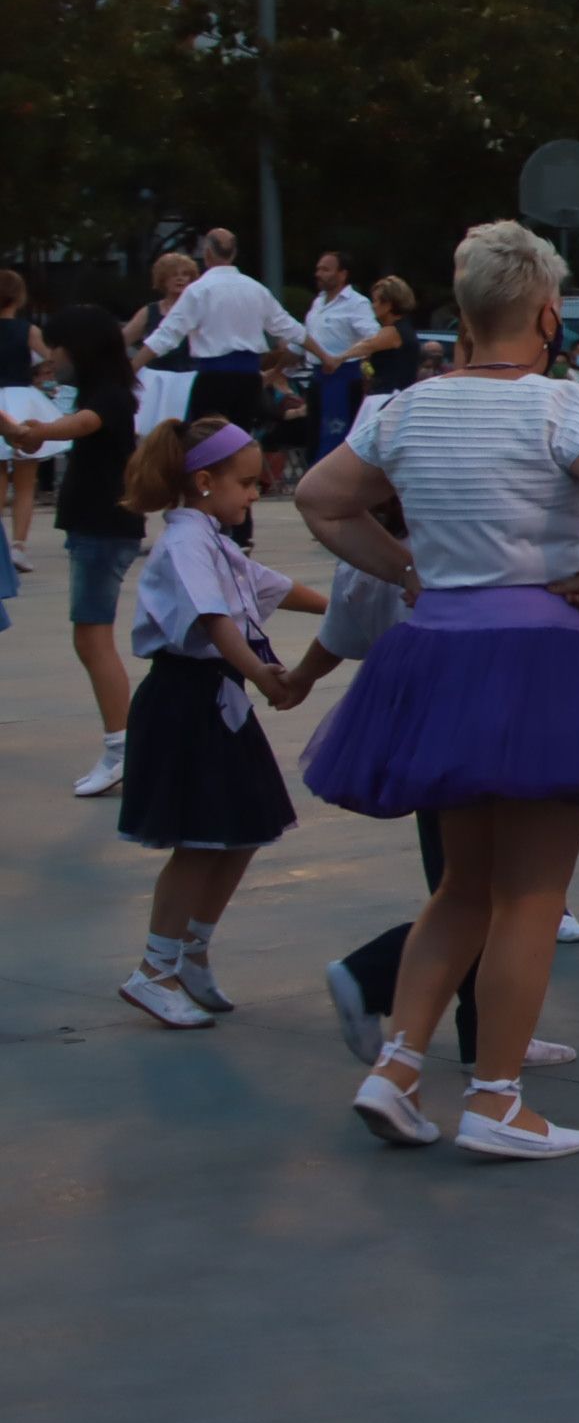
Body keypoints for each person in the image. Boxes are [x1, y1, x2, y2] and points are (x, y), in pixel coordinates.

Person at [295, 220, 579, 1162]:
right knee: (533, 890)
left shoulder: (405, 409)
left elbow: (321, 499)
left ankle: (398, 1065)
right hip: (543, 657)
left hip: (443, 650)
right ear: (548, 313)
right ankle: (497, 1098)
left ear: (463, 313)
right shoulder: (563, 407)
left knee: (462, 884)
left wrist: (408, 569)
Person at [103, 416, 326, 1027]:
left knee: (243, 828)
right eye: (248, 483)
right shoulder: (184, 543)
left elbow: (272, 588)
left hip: (216, 699)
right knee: (199, 843)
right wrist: (261, 673)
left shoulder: (214, 537)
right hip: (185, 701)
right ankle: (153, 968)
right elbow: (213, 620)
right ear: (204, 481)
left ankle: (191, 951)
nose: (255, 494)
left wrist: (351, 608)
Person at [3, 308, 145, 797]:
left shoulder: (108, 398)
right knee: (90, 637)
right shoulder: (102, 392)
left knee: (92, 639)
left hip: (104, 530)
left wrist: (31, 432)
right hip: (96, 529)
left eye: (57, 349)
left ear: (79, 350)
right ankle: (122, 745)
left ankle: (122, 747)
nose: (51, 358)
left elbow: (78, 426)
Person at [142, 228, 308, 432]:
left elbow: (166, 335)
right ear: (234, 253)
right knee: (240, 440)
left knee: (207, 441)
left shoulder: (199, 290)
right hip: (248, 380)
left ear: (207, 253)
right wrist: (326, 357)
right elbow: (292, 329)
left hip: (215, 376)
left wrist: (132, 367)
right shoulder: (255, 288)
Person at [301, 249, 379, 462]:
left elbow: (372, 336)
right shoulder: (318, 302)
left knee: (336, 433)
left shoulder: (356, 303)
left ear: (342, 274)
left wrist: (343, 357)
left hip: (342, 377)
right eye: (318, 269)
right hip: (318, 375)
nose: (319, 274)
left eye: (326, 269)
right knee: (316, 433)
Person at [0, 267, 43, 570]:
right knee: (27, 481)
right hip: (22, 398)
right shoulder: (28, 330)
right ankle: (19, 545)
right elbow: (52, 357)